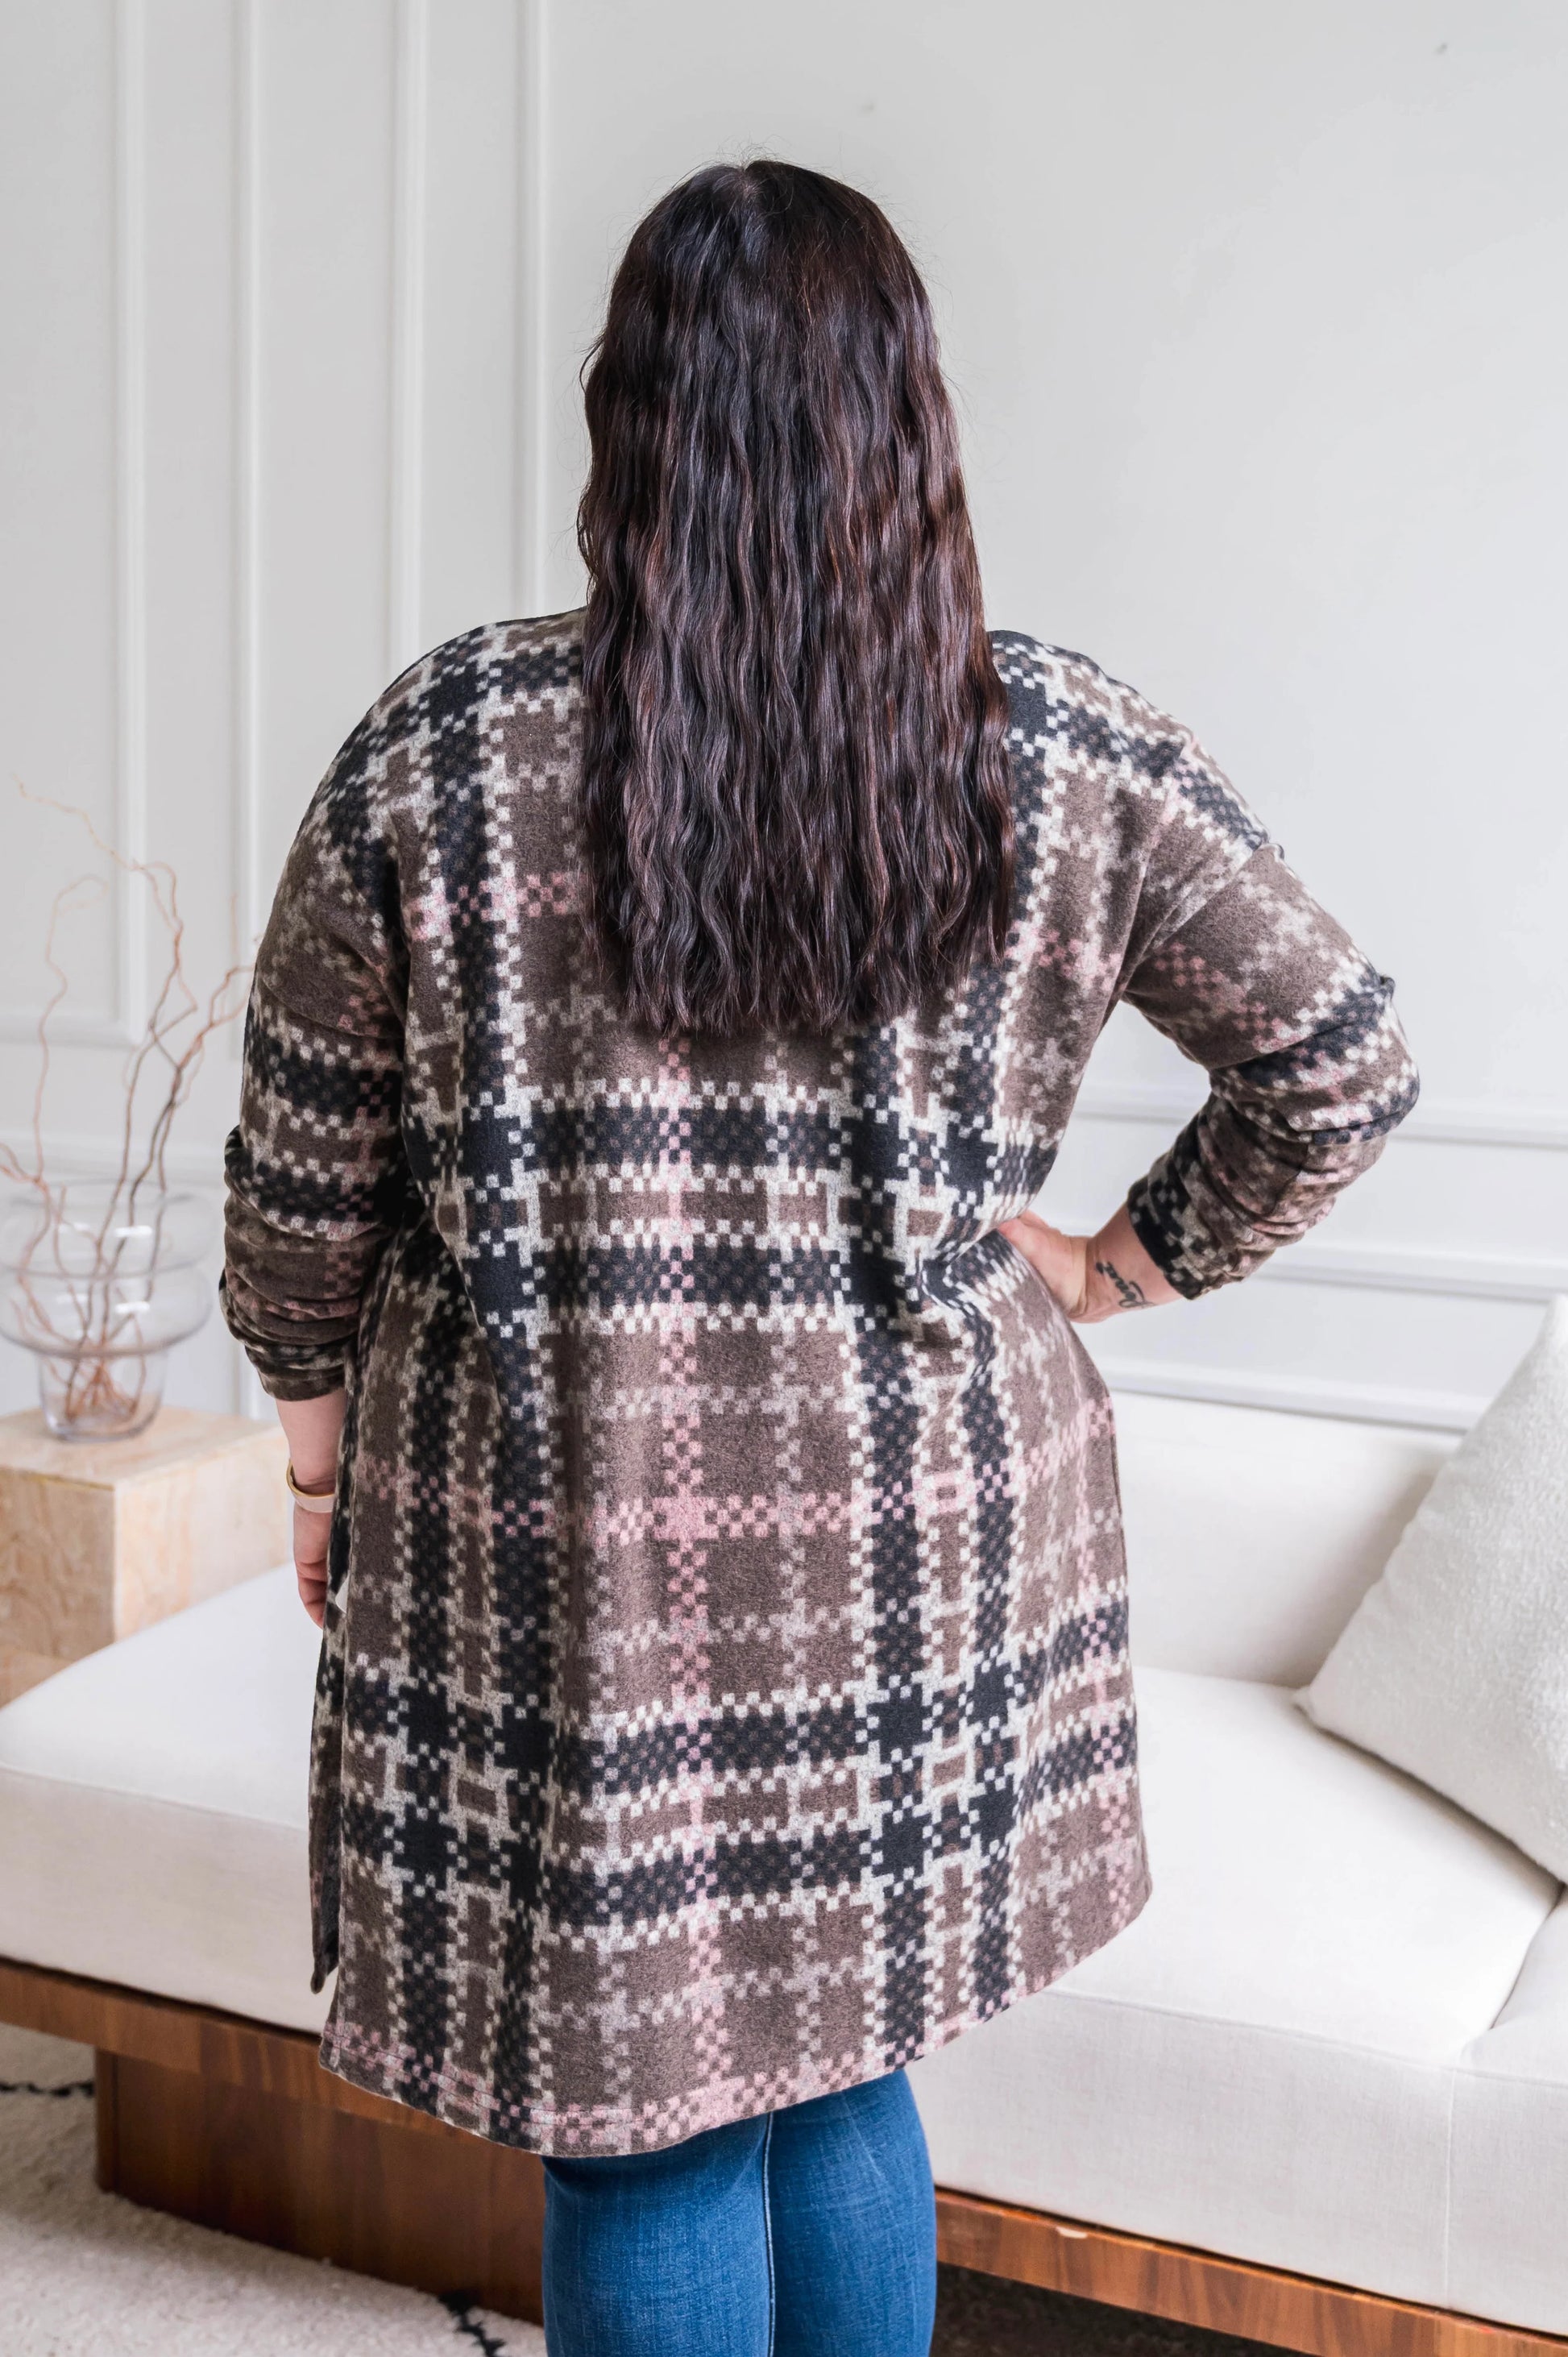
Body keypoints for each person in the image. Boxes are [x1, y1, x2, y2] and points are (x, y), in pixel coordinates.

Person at [220, 160, 1419, 2357]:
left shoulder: (446, 744)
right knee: (841, 2054)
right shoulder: (1066, 747)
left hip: (566, 1546)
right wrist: (1111, 1268)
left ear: (625, 416)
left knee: (639, 2128)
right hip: (913, 1550)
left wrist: (317, 1472)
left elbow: (303, 1190)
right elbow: (1339, 1065)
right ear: (908, 422)